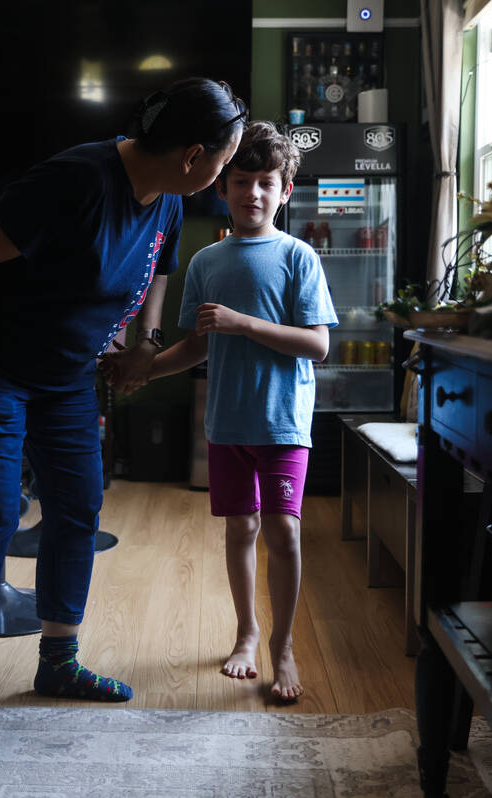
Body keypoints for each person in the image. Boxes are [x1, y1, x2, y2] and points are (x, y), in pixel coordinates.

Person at [0, 78, 246, 753]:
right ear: (194, 154)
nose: (223, 175)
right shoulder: (78, 179)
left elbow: (157, 271)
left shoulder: (168, 200)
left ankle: (58, 661)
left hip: (64, 378)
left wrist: (139, 344)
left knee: (78, 509)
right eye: (225, 162)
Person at [138, 121, 336, 701]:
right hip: (227, 424)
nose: (253, 193)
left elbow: (318, 345)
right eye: (241, 181)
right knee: (242, 528)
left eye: (265, 183)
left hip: (282, 425)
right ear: (221, 188)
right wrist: (144, 369)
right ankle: (246, 634)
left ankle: (283, 646)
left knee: (283, 532)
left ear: (284, 191)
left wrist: (242, 323)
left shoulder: (299, 258)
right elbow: (197, 346)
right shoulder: (205, 262)